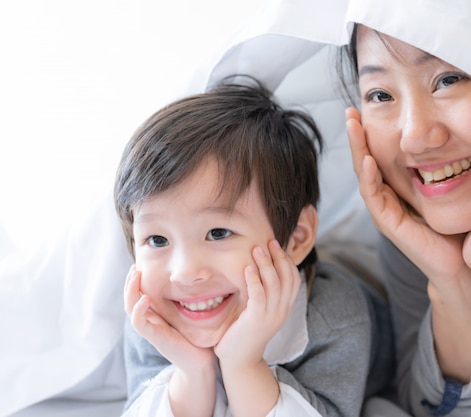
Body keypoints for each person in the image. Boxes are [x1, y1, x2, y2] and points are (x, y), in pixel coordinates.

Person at [113, 77, 393, 417]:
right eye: (157, 240)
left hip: (362, 272)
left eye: (218, 233)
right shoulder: (153, 316)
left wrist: (243, 363)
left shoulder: (332, 322)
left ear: (297, 238)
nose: (185, 273)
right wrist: (192, 371)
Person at [335, 22, 471, 417]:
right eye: (380, 94)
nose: (415, 136)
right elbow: (426, 408)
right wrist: (453, 289)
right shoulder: (415, 234)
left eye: (448, 79)